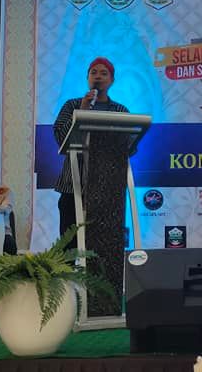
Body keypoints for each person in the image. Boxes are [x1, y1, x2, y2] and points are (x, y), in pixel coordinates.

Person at [53, 56, 130, 317]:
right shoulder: (72, 105)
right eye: (94, 72)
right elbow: (60, 137)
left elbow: (129, 145)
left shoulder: (120, 111)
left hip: (107, 191)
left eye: (104, 73)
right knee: (68, 246)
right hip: (73, 186)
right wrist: (83, 110)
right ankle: (62, 304)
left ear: (112, 80)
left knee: (104, 248)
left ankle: (103, 302)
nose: (98, 76)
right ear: (87, 78)